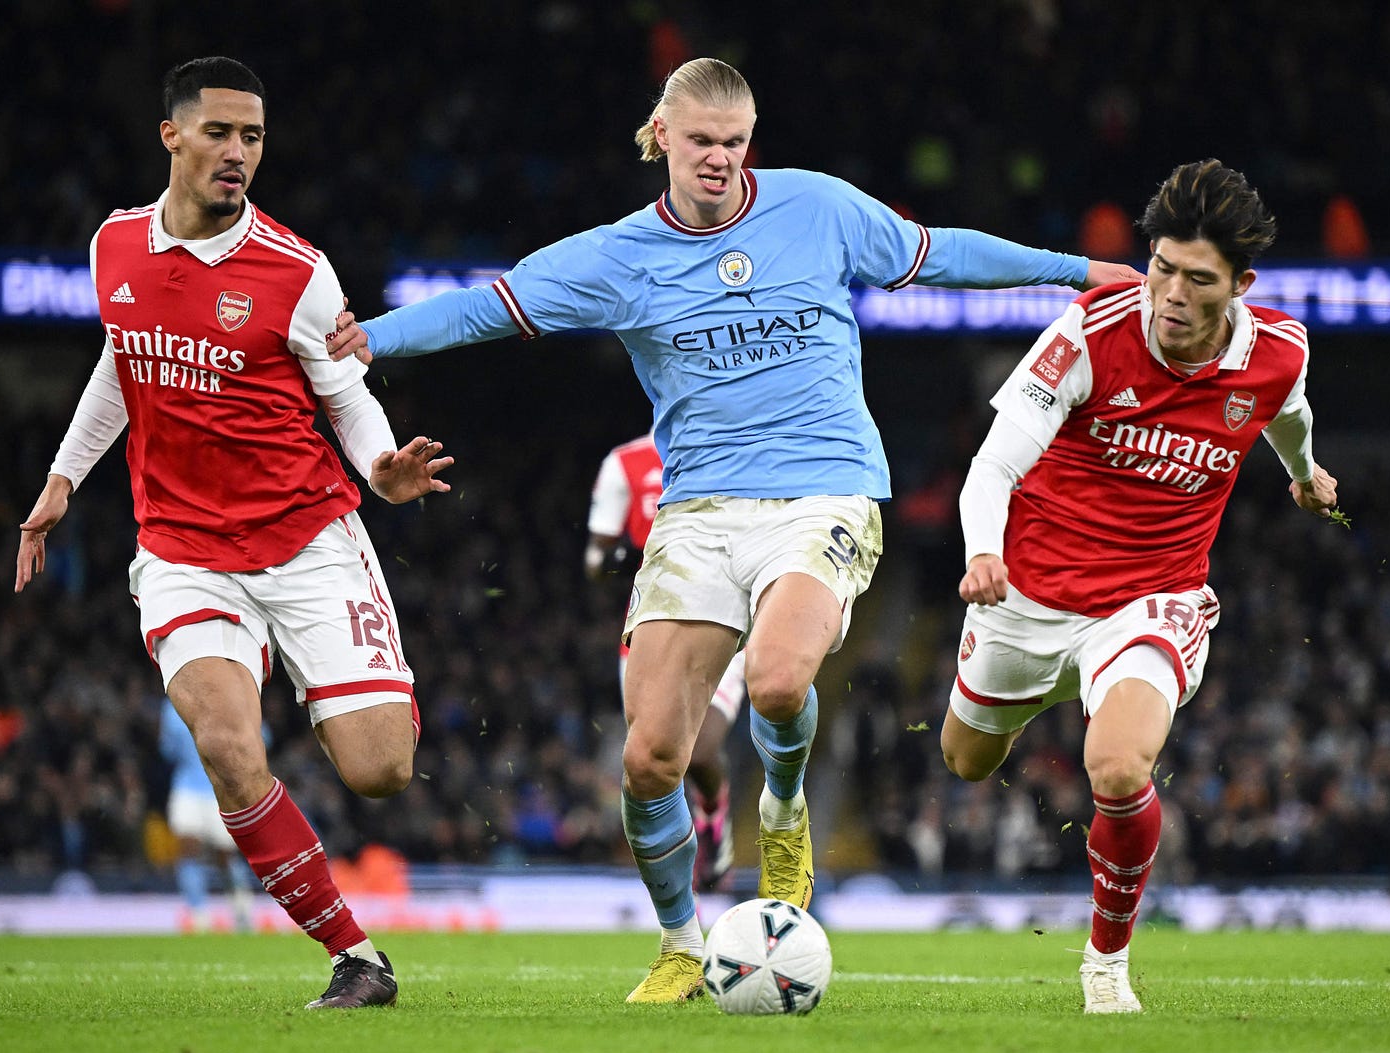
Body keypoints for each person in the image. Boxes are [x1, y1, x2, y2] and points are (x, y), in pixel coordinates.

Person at [326, 56, 1139, 1004]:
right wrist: (374, 338)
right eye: (702, 141)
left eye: (735, 142)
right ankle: (679, 943)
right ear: (661, 137)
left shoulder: (819, 209)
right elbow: (487, 308)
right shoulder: (616, 258)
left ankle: (784, 811)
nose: (720, 159)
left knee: (779, 679)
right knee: (648, 758)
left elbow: (942, 250)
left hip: (824, 495)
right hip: (698, 512)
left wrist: (1076, 271)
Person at [14, 56, 454, 1009]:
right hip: (180, 549)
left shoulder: (295, 269)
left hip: (306, 539)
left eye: (253, 137)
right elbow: (121, 364)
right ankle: (356, 957)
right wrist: (62, 479)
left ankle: (340, 685)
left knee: (380, 771)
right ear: (171, 134)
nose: (239, 153)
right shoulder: (113, 247)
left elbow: (347, 392)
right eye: (219, 132)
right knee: (223, 744)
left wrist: (382, 471)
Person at [940, 159, 1340, 1014]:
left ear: (1241, 285)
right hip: (1026, 594)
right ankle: (1024, 696)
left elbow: (1290, 413)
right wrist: (982, 554)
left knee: (1117, 768)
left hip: (1151, 600)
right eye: (1161, 267)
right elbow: (993, 467)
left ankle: (1106, 966)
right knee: (964, 761)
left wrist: (1305, 475)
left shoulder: (1278, 351)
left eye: (1199, 279)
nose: (1171, 293)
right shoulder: (1088, 333)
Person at [586, 433, 744, 892]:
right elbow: (597, 554)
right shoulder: (625, 463)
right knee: (652, 759)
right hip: (651, 624)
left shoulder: (739, 442)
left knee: (697, 749)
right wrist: (613, 558)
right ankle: (677, 875)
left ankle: (714, 815)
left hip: (727, 617)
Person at [158, 697, 258, 933]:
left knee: (225, 855)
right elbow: (167, 749)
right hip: (186, 787)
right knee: (187, 848)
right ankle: (198, 914)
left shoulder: (225, 696)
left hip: (220, 789)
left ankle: (241, 908)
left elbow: (259, 737)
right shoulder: (171, 705)